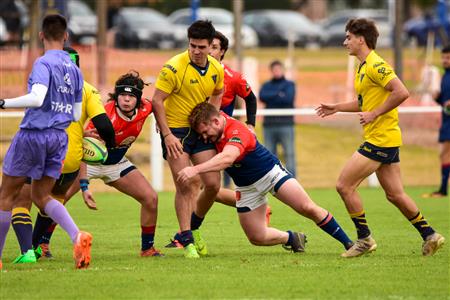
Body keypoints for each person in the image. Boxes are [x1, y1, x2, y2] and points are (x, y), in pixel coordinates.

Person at [315, 18, 445, 257]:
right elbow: (364, 102)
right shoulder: (363, 67)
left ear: (361, 39)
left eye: (348, 38)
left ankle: (364, 239)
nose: (345, 42)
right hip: (386, 138)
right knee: (395, 194)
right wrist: (337, 107)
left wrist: (375, 114)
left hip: (380, 139)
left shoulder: (376, 64)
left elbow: (402, 91)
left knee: (344, 185)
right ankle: (430, 234)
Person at [177, 102, 354, 253]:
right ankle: (291, 238)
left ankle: (349, 244)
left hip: (270, 174)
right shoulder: (214, 124)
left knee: (307, 207)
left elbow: (227, 158)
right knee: (257, 237)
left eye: (206, 132)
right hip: (246, 188)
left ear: (216, 121)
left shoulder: (237, 130)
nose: (205, 137)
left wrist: (195, 170)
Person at [36, 71, 163, 258]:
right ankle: (42, 244)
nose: (126, 100)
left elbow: (156, 106)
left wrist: (161, 125)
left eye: (131, 96)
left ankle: (147, 249)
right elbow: (83, 151)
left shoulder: (145, 108)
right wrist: (84, 185)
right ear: (116, 96)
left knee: (151, 198)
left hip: (116, 163)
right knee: (59, 199)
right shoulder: (104, 116)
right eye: (122, 95)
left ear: (138, 99)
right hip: (88, 162)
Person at [0, 14, 91, 270]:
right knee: (41, 195)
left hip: (33, 135)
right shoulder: (75, 70)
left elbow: (37, 98)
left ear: (41, 35)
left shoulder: (43, 63)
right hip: (59, 137)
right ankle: (77, 235)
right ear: (65, 36)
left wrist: (4, 103)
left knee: (6, 196)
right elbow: (75, 115)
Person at [9, 47, 115, 263]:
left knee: (21, 200)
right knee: (50, 203)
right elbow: (104, 124)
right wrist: (109, 147)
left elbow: (36, 103)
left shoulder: (47, 84)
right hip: (71, 160)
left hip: (43, 150)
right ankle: (42, 247)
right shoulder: (87, 89)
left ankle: (27, 251)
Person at [152, 20, 224, 258]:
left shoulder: (216, 69)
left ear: (210, 45)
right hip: (177, 132)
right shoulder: (173, 67)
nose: (196, 51)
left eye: (201, 47)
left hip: (200, 131)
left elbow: (218, 91)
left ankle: (195, 227)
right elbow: (157, 101)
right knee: (186, 183)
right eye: (192, 45)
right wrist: (167, 135)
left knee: (213, 184)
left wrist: (211, 120)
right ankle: (186, 238)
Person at [260, 60, 297, 178]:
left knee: (289, 154)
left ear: (282, 70)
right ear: (271, 71)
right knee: (269, 155)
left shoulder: (290, 85)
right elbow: (262, 97)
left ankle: (293, 181)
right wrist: (279, 93)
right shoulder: (266, 85)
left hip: (286, 125)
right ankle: (272, 180)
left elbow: (288, 99)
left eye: (278, 69)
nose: (276, 72)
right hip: (269, 125)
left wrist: (272, 96)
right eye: (274, 69)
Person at [422, 45, 450, 198]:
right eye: (444, 57)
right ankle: (443, 189)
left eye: (448, 57)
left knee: (445, 154)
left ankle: (443, 190)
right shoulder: (445, 76)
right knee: (444, 155)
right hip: (446, 121)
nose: (445, 60)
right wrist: (437, 98)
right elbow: (445, 103)